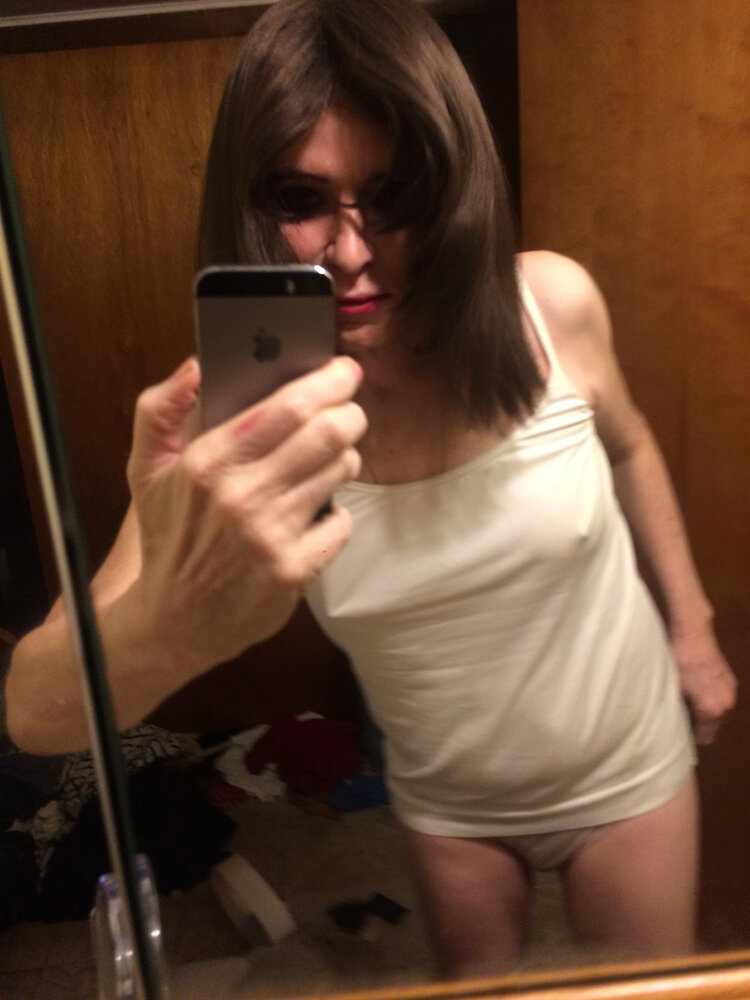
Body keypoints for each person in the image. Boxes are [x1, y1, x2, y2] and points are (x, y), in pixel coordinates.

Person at [5, 0, 736, 980]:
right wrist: (168, 629)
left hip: (627, 764)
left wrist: (693, 630)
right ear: (247, 202)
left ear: (455, 189)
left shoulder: (553, 305)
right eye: (298, 196)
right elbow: (36, 713)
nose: (348, 252)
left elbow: (632, 447)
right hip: (449, 805)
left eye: (393, 195)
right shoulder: (237, 435)